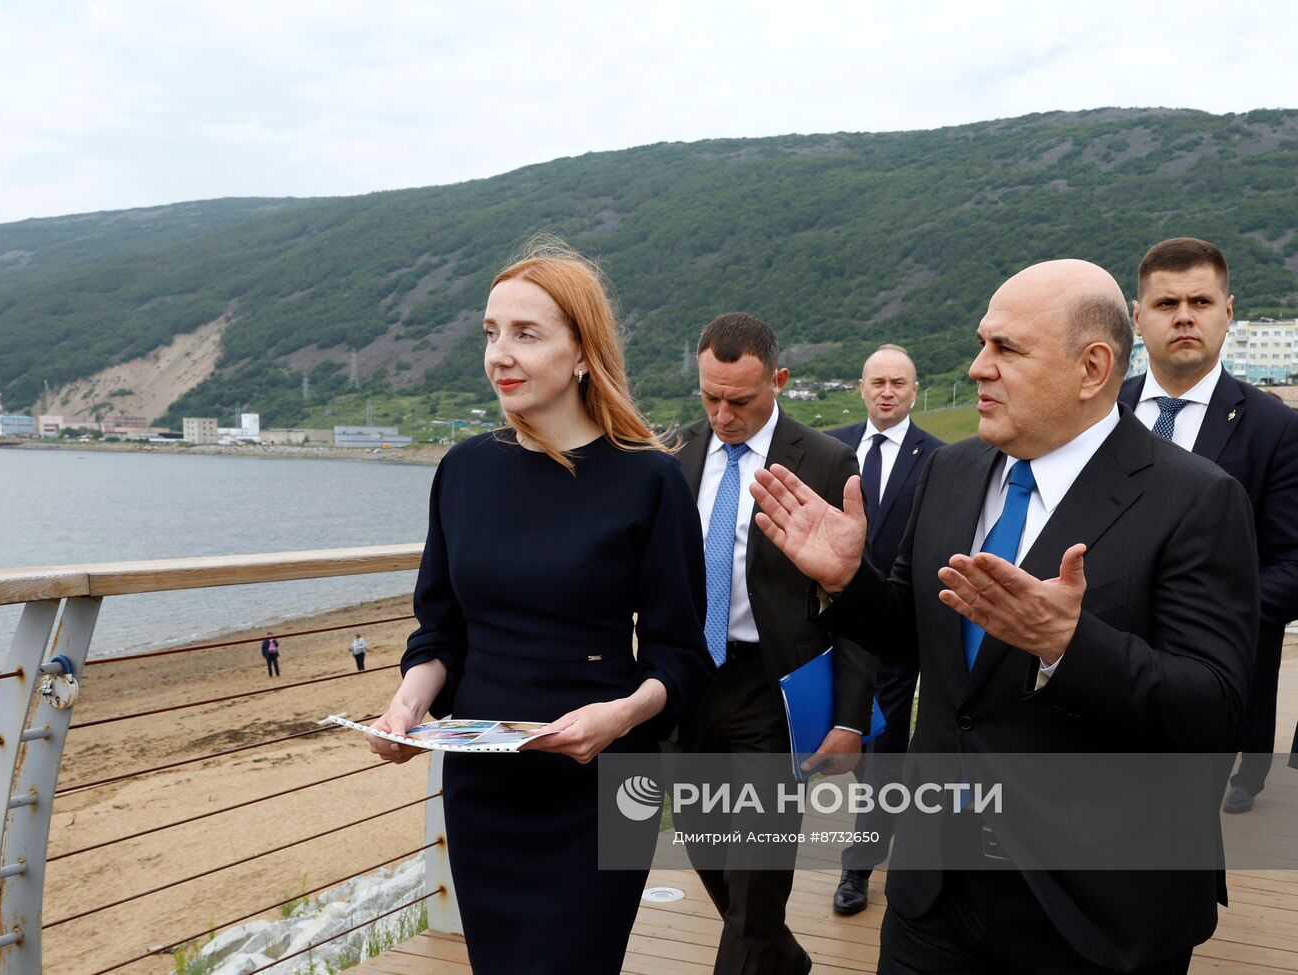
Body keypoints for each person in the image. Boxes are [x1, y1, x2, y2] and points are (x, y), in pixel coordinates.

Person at [750, 259, 1257, 973]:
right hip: (935, 891)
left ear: (1092, 367)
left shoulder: (1196, 500)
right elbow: (919, 632)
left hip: (1094, 909)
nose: (977, 366)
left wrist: (1069, 646)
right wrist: (847, 583)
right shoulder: (951, 472)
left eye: (1006, 349)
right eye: (982, 342)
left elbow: (1216, 707)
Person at [368, 238, 712, 975]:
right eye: (491, 334)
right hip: (483, 787)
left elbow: (680, 658)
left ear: (583, 353)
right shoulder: (463, 470)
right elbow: (439, 632)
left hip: (601, 786)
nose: (501, 355)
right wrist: (404, 709)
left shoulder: (650, 480)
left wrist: (617, 715)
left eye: (526, 334)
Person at [670, 312, 872, 975]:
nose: (724, 414)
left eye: (741, 400)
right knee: (710, 856)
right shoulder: (674, 453)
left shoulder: (827, 459)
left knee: (757, 875)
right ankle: (782, 958)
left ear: (778, 380)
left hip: (773, 689)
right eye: (711, 397)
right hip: (692, 683)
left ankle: (760, 953)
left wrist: (848, 717)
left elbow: (857, 599)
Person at [1120, 236, 1298, 814]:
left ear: (1228, 311)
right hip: (1097, 658)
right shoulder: (1097, 414)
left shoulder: (1275, 428)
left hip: (1208, 668)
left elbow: (1292, 563)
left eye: (1200, 301)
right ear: (1137, 318)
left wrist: (1205, 616)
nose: (1184, 317)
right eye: (1167, 304)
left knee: (1176, 836)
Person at [826, 343, 944, 916]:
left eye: (899, 382)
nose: (887, 391)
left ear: (914, 390)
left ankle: (857, 868)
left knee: (884, 754)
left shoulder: (941, 459)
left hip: (897, 629)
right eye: (877, 382)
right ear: (862, 387)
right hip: (830, 625)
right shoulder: (831, 448)